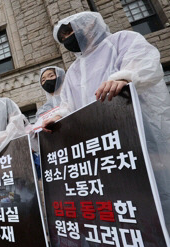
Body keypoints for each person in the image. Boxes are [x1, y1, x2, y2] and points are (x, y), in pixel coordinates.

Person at [43, 11, 170, 228]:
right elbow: (68, 105)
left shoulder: (121, 41)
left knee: (154, 193)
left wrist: (123, 77)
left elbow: (144, 63)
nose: (67, 38)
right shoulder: (73, 71)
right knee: (118, 201)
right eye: (62, 36)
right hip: (100, 149)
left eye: (70, 31)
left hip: (136, 138)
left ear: (89, 25)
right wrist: (58, 117)